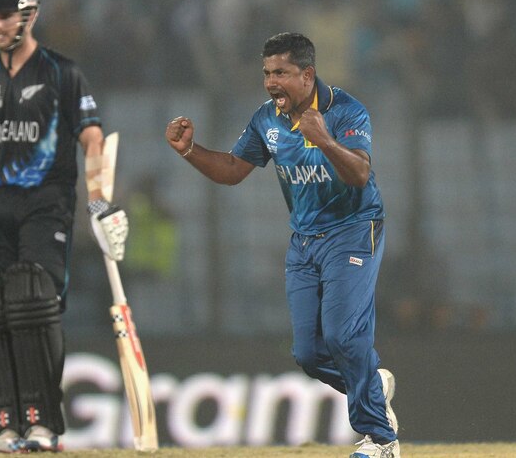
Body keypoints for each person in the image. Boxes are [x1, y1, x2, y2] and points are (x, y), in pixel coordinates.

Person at [165, 32, 399, 458]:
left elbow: (360, 174)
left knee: (345, 337)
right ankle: (370, 382)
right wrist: (190, 151)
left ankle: (381, 440)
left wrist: (325, 138)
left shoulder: (346, 110)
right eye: (266, 73)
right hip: (304, 241)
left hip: (353, 228)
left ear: (307, 74)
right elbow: (234, 170)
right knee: (308, 354)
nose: (271, 82)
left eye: (281, 73)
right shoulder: (266, 119)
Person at [0, 0, 127, 453]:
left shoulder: (62, 72)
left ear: (29, 15)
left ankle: (43, 424)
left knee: (33, 303)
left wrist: (99, 206)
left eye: (6, 15)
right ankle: (8, 424)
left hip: (47, 203)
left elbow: (93, 139)